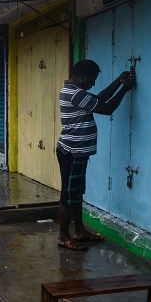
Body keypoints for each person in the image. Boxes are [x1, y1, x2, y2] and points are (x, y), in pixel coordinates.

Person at [56, 59, 136, 251]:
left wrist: (118, 82)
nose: (93, 83)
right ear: (82, 76)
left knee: (76, 192)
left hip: (75, 152)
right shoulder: (75, 94)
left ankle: (80, 231)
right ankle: (63, 236)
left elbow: (98, 100)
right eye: (92, 79)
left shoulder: (75, 92)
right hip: (72, 152)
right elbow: (106, 108)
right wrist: (124, 90)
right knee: (68, 195)